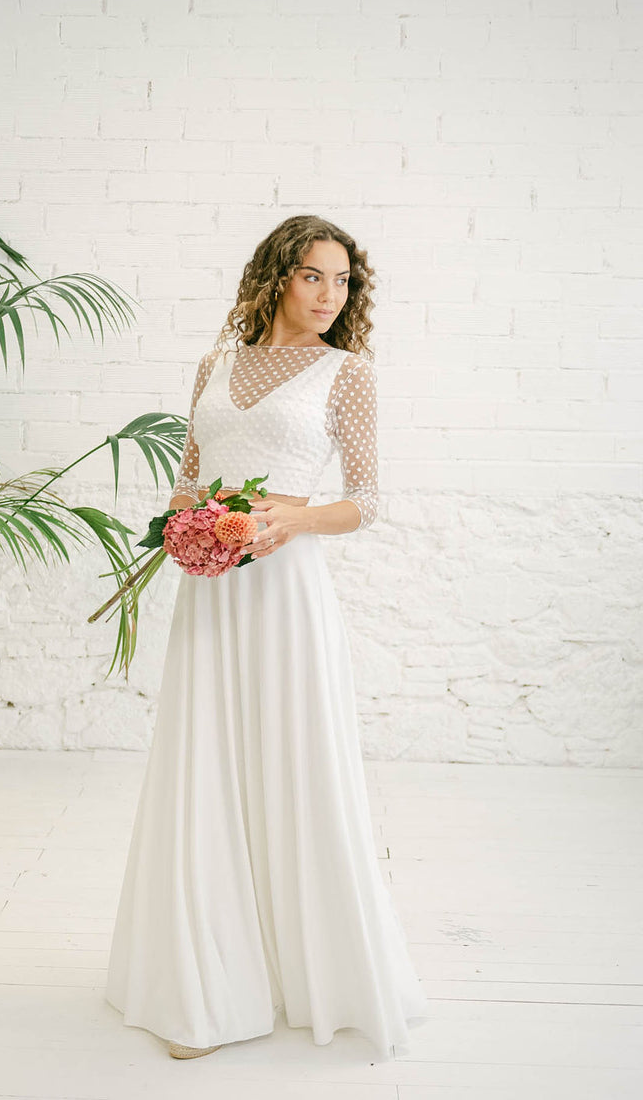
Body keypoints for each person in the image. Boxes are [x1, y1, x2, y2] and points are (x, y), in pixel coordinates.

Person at [104, 214, 429, 1060]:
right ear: (279, 276)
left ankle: (307, 968)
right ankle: (206, 985)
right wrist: (184, 528)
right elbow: (187, 476)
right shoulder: (215, 365)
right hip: (213, 596)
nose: (330, 296)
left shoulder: (345, 374)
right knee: (206, 763)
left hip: (286, 594)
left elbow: (368, 498)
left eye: (344, 281)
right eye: (314, 276)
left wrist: (291, 516)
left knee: (292, 764)